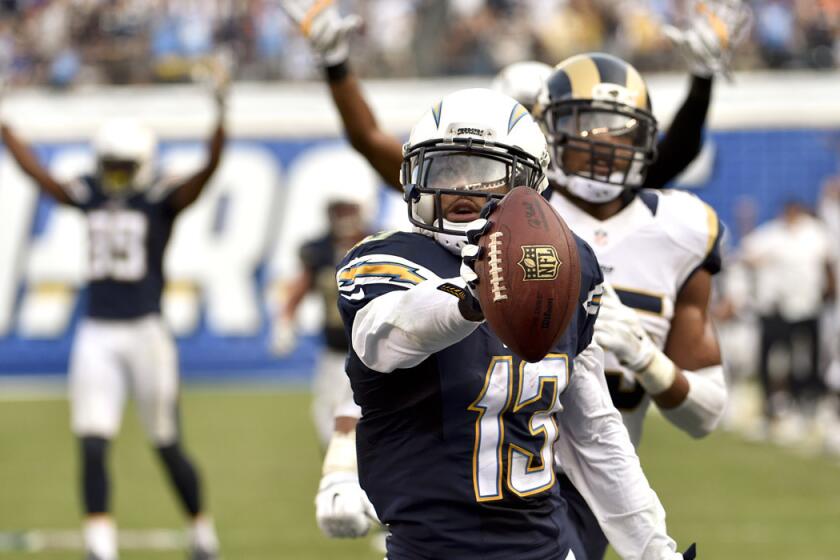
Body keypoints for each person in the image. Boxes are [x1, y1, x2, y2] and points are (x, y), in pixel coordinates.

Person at [336, 86, 692, 560]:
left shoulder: (569, 267)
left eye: (484, 172)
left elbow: (595, 434)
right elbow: (387, 334)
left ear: (532, 187)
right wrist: (471, 299)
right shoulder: (385, 261)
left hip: (546, 547)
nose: (462, 187)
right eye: (446, 167)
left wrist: (654, 551)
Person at [0, 75, 227, 560]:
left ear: (143, 164)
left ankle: (201, 531)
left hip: (146, 331)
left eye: (125, 167)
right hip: (97, 332)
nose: (117, 177)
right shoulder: (90, 195)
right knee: (92, 441)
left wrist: (222, 116)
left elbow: (208, 170)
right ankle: (100, 547)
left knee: (166, 442)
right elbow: (37, 174)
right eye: (111, 167)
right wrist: (4, 124)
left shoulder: (159, 201)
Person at [534, 51, 728, 560]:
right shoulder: (518, 218)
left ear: (644, 138)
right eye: (586, 124)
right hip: (503, 463)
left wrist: (644, 355)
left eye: (617, 128)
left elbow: (704, 415)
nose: (602, 142)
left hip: (599, 483)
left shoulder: (680, 228)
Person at [271, 192, 371, 446]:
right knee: (326, 415)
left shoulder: (376, 247)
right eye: (340, 212)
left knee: (357, 416)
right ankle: (341, 474)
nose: (345, 219)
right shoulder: (321, 251)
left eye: (349, 211)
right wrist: (284, 322)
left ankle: (353, 475)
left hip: (372, 350)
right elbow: (301, 287)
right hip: (334, 351)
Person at [740, 200, 836, 440]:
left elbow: (827, 261)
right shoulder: (773, 234)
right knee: (775, 357)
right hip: (779, 309)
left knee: (808, 357)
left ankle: (807, 403)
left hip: (809, 307)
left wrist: (828, 290)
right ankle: (774, 405)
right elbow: (748, 253)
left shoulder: (815, 233)